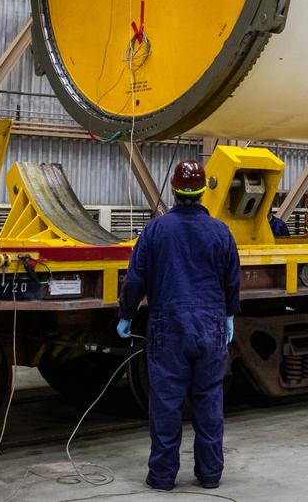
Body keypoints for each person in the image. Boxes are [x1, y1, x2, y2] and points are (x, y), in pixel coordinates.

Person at [117, 161, 241, 492]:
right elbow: (232, 279)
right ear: (203, 191)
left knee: (166, 404)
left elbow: (136, 278)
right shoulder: (220, 231)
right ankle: (210, 474)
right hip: (210, 326)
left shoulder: (156, 230)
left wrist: (127, 314)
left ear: (173, 189)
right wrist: (229, 315)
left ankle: (162, 477)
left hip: (168, 326)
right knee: (209, 402)